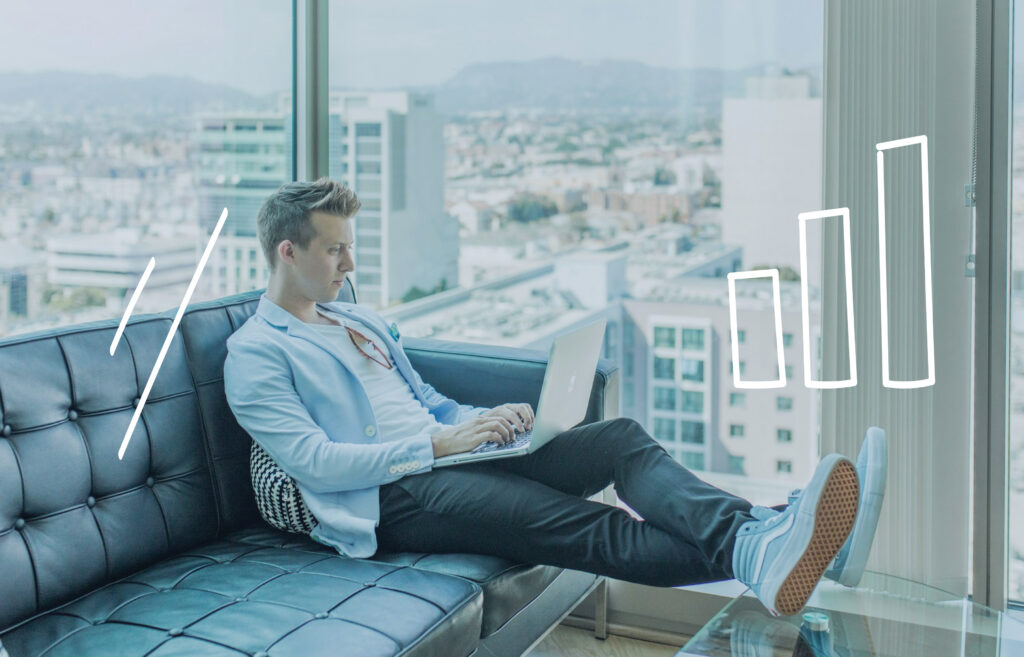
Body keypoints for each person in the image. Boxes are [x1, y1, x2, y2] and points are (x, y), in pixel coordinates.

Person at [223, 178, 886, 618]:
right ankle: (778, 541)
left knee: (620, 440)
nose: (349, 264)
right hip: (392, 496)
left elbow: (421, 394)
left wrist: (479, 422)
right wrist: (435, 443)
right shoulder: (255, 352)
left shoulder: (355, 318)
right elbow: (316, 462)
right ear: (288, 251)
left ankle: (767, 540)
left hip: (452, 455)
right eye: (335, 249)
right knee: (579, 524)